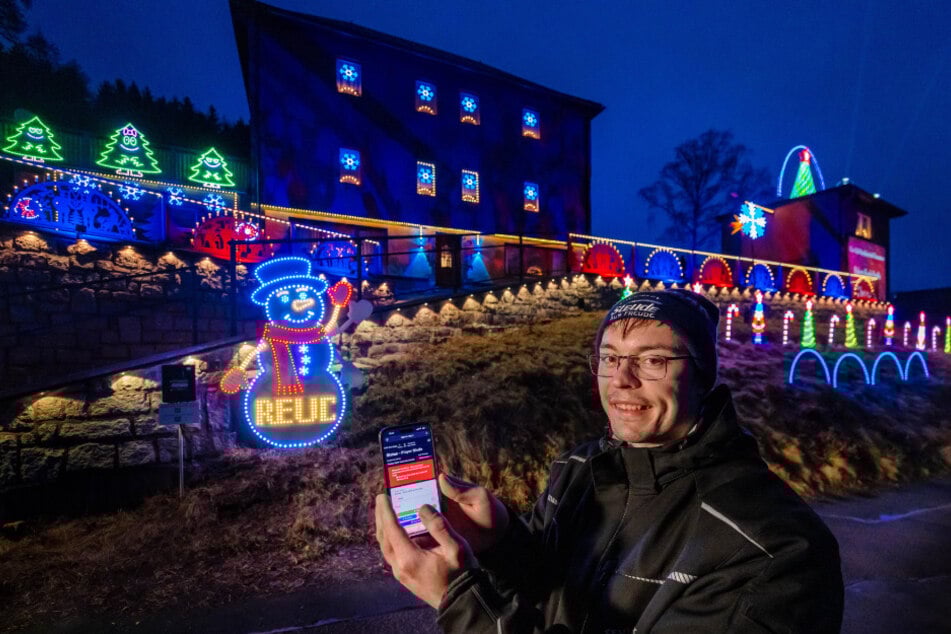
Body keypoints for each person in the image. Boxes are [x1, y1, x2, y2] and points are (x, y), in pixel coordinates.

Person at [375, 289, 844, 633]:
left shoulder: (774, 550)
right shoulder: (579, 469)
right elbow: (548, 587)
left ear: (701, 377)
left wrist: (460, 603)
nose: (621, 379)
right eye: (609, 356)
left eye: (653, 360)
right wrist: (501, 539)